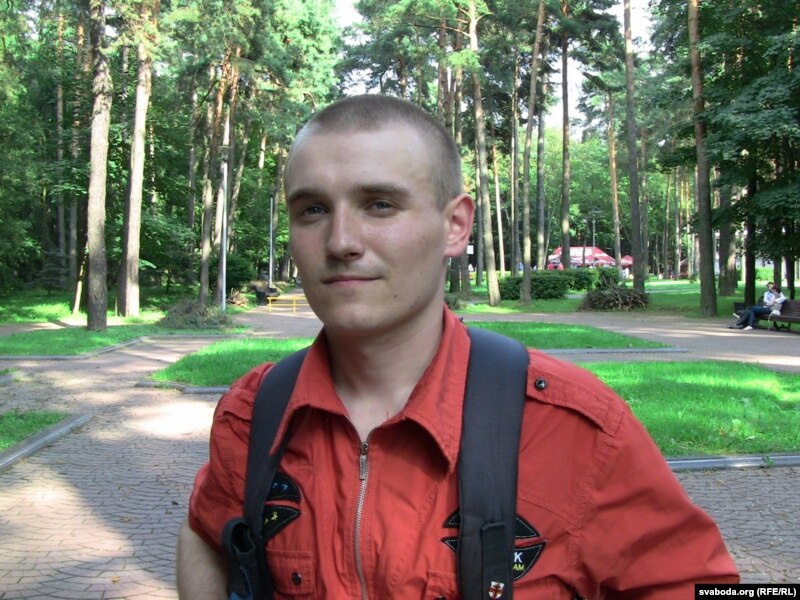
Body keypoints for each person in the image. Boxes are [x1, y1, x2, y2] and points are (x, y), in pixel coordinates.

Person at [176, 94, 738, 598]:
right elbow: (206, 533)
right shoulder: (253, 413)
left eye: (379, 204)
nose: (341, 241)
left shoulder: (575, 429)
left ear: (456, 226)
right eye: (313, 210)